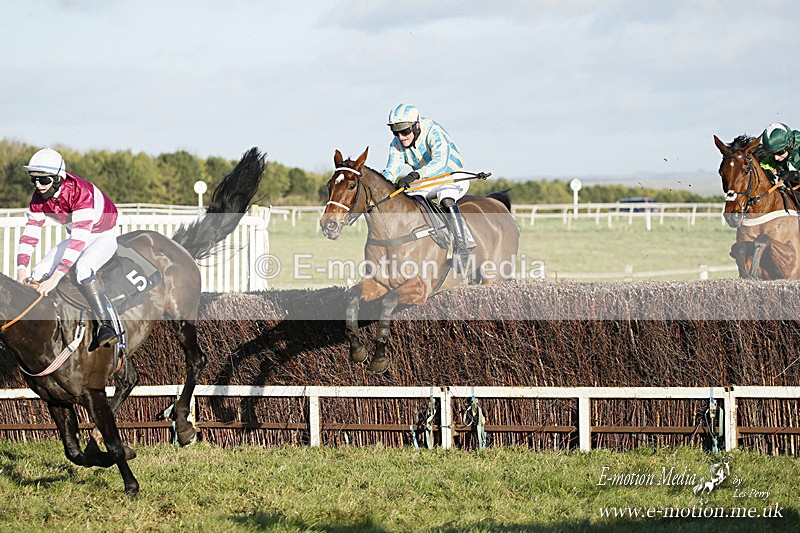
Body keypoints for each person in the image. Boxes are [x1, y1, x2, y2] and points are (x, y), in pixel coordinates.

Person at [15, 148, 121, 351]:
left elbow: (79, 242)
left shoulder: (81, 193)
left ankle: (107, 326)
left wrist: (55, 278)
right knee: (37, 271)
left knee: (83, 269)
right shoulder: (39, 197)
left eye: (43, 180)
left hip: (103, 234)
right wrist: (21, 269)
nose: (38, 185)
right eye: (33, 179)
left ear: (58, 178)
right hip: (79, 234)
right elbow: (30, 234)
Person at [382, 103, 472, 270]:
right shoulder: (396, 144)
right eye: (396, 132)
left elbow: (441, 161)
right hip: (426, 181)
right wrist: (381, 187)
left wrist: (415, 174)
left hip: (451, 176)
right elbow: (392, 170)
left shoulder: (433, 131)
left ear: (416, 126)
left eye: (405, 131)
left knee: (446, 200)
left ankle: (462, 249)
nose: (401, 137)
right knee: (407, 201)